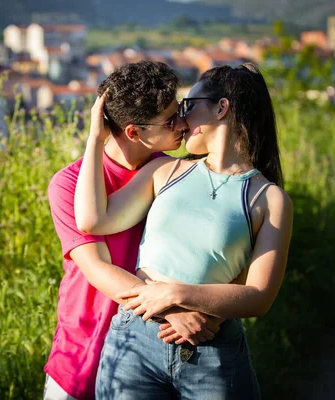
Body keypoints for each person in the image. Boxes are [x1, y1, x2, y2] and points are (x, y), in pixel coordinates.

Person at [74, 63, 294, 399]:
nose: (181, 120)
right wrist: (96, 137)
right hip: (136, 339)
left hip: (210, 347)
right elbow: (93, 220)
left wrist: (177, 294)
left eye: (188, 107)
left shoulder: (269, 199)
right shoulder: (165, 170)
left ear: (222, 108)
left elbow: (260, 297)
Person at [44, 61, 221, 400]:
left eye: (180, 111)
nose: (183, 124)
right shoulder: (68, 184)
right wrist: (173, 308)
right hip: (85, 344)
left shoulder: (172, 172)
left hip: (156, 346)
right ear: (134, 132)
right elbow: (97, 268)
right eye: (170, 120)